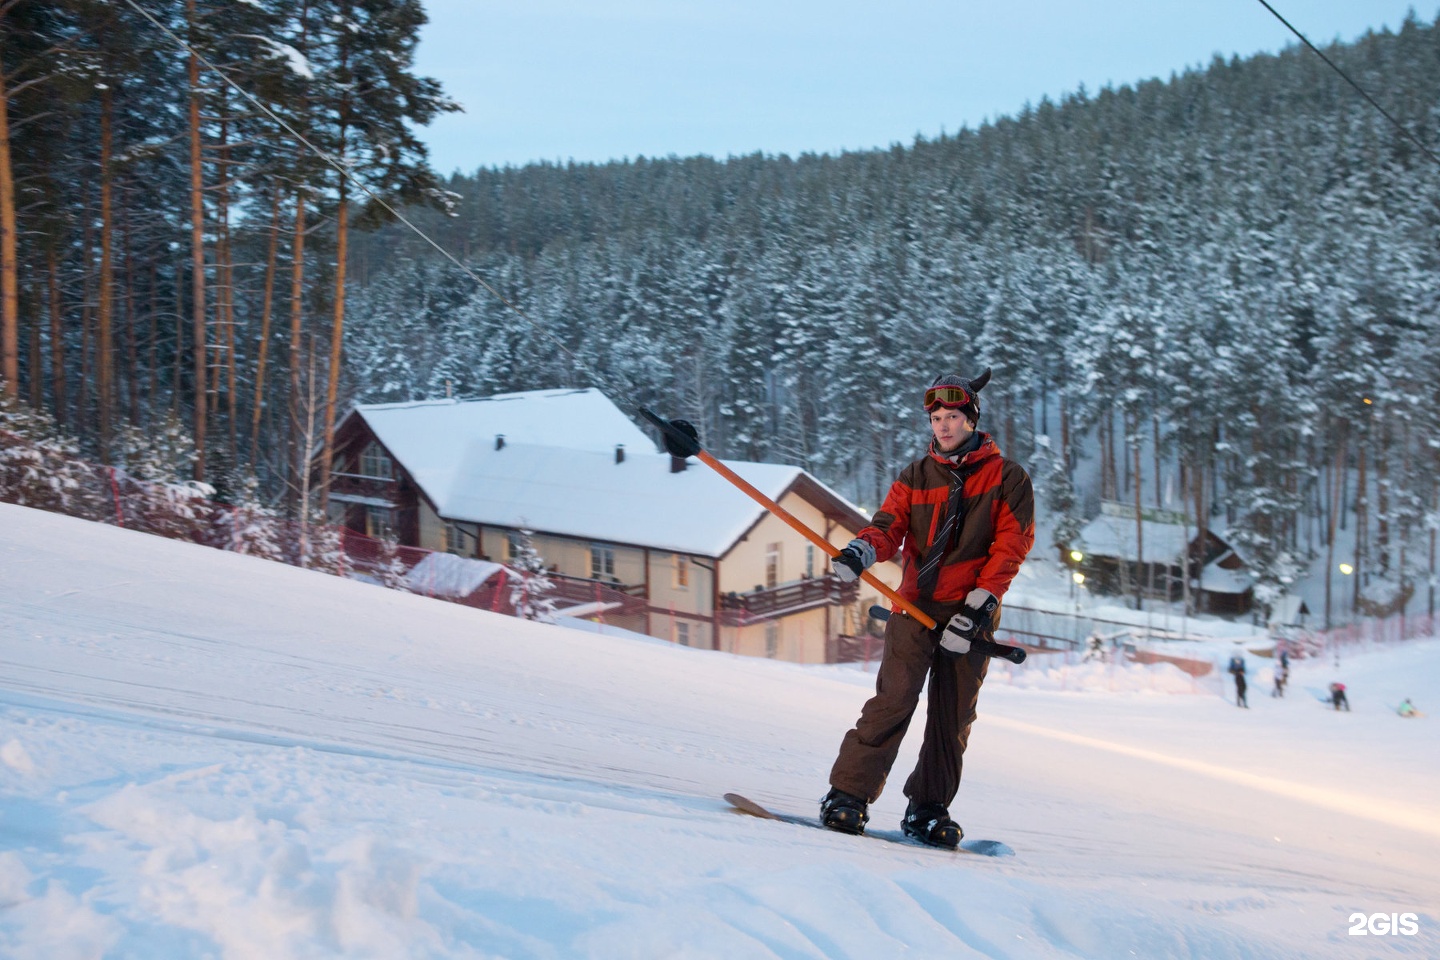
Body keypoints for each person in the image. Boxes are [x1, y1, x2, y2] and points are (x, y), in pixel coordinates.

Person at [821, 370, 1035, 849]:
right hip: (913, 606)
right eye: (937, 417)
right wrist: (862, 551)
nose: (944, 426)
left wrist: (976, 609)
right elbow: (887, 525)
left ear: (971, 418)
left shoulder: (1008, 478)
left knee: (951, 716)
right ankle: (847, 796)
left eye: (953, 416)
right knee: (893, 700)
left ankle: (928, 809)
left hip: (971, 613)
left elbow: (1011, 546)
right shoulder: (916, 475)